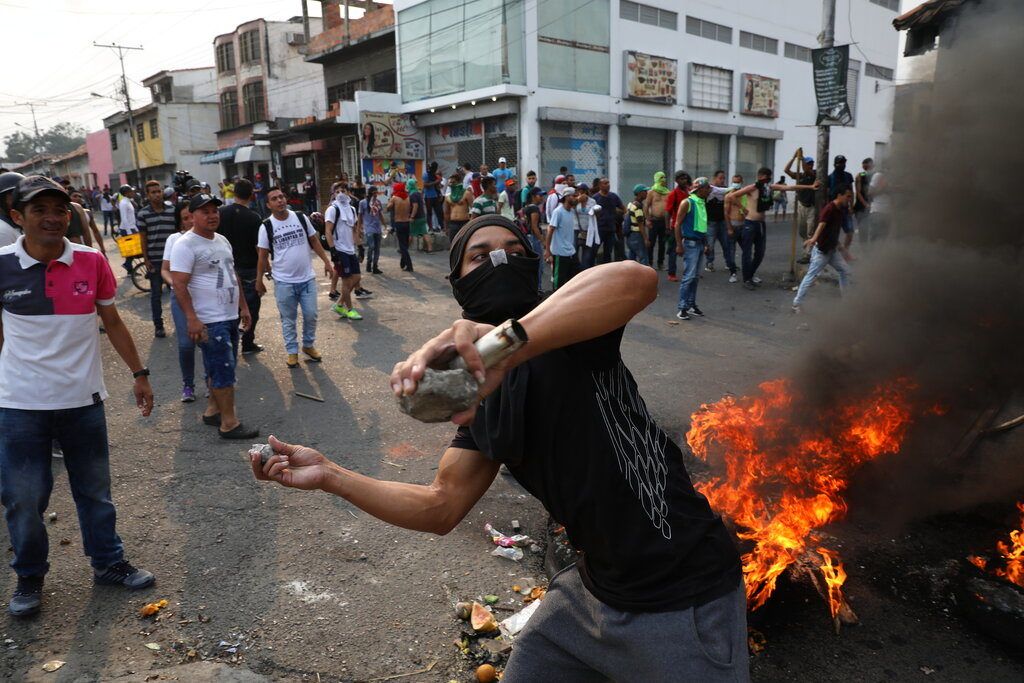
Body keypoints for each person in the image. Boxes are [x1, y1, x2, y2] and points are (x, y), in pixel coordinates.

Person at [250, 217, 748, 682]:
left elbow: (636, 278)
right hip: (590, 593)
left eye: (514, 250)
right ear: (459, 285)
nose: (501, 261)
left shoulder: (569, 331)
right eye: (480, 254)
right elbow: (441, 505)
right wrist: (332, 474)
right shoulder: (481, 397)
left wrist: (509, 344)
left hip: (684, 596)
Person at [0, 176, 156, 618]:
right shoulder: (2, 265)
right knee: (24, 497)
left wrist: (139, 374)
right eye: (39, 210)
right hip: (20, 406)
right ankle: (29, 576)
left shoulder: (90, 261)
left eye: (60, 210)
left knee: (95, 491)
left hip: (83, 401)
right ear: (17, 217)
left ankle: (108, 563)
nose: (52, 218)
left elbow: (114, 321)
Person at [169, 193, 257, 439]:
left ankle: (212, 411)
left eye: (214, 211)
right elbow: (179, 285)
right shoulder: (185, 245)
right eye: (205, 211)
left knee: (215, 368)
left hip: (229, 315)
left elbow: (233, 274)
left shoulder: (222, 240)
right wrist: (192, 318)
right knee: (224, 369)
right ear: (192, 215)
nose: (212, 215)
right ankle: (229, 422)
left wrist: (244, 307)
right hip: (209, 319)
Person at [256, 187, 334, 364]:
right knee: (288, 319)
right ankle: (292, 351)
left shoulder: (300, 217)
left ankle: (308, 345)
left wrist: (327, 262)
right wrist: (259, 280)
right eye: (274, 199)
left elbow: (314, 240)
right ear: (269, 205)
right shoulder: (266, 226)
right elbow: (262, 256)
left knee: (311, 314)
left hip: (306, 278)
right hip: (284, 282)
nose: (280, 201)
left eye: (281, 197)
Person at [727, 168, 818, 290]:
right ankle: (746, 279)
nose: (769, 179)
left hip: (760, 224)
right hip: (750, 223)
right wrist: (742, 208)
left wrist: (811, 187)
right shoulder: (752, 188)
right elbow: (732, 196)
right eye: (767, 177)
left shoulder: (768, 188)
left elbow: (790, 188)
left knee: (760, 253)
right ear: (761, 176)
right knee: (747, 253)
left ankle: (750, 274)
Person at [217, 178, 265, 354]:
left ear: (234, 192)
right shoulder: (254, 218)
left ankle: (228, 344)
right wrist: (264, 272)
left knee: (228, 309)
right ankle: (247, 343)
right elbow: (259, 249)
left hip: (225, 269)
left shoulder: (220, 213)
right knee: (251, 309)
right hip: (249, 270)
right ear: (252, 195)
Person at [792, 185, 854, 313]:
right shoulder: (830, 208)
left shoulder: (840, 209)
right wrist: (814, 239)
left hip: (832, 250)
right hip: (822, 251)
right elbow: (821, 225)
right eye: (847, 196)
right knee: (811, 276)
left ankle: (847, 301)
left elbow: (833, 231)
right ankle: (797, 303)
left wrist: (842, 249)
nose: (849, 199)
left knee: (845, 271)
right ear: (839, 195)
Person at [161, 202, 198, 402]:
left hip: (204, 298)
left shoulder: (208, 239)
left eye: (193, 215)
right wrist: (175, 284)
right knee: (186, 344)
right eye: (185, 218)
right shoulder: (174, 240)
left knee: (208, 343)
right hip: (181, 298)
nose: (191, 221)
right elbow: (164, 269)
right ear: (180, 222)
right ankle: (188, 385)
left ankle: (212, 383)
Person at [137, 180, 177, 339]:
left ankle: (180, 322)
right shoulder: (143, 214)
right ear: (147, 195)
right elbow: (143, 239)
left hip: (173, 261)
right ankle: (158, 326)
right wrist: (146, 260)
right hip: (155, 260)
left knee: (178, 291)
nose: (156, 194)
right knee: (156, 294)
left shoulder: (172, 211)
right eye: (153, 192)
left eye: (158, 191)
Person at [322, 185, 366, 323]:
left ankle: (340, 304)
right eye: (337, 191)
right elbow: (327, 231)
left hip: (350, 249)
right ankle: (350, 309)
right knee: (346, 281)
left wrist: (360, 246)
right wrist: (333, 250)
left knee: (357, 277)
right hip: (340, 249)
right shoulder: (332, 209)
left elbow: (354, 230)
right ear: (333, 194)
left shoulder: (352, 209)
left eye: (343, 191)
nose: (340, 193)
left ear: (349, 193)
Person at [673, 177, 714, 320]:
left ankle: (691, 305)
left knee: (695, 277)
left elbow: (702, 227)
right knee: (688, 277)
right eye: (707, 188)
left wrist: (706, 244)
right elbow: (677, 224)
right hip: (690, 244)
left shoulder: (702, 203)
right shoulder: (687, 202)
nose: (709, 191)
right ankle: (682, 308)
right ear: (700, 189)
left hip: (699, 242)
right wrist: (679, 245)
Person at [784, 150, 817, 264]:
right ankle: (807, 252)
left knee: (810, 231)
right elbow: (786, 170)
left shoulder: (815, 174)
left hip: (812, 207)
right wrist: (794, 158)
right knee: (802, 231)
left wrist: (802, 159)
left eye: (811, 163)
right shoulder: (800, 175)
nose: (810, 165)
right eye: (808, 163)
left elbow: (810, 171)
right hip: (801, 206)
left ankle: (808, 255)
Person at [545, 186, 581, 290]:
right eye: (574, 196)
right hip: (560, 253)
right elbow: (550, 230)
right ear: (567, 197)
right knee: (558, 284)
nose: (576, 198)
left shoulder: (571, 211)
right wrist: (548, 251)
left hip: (571, 252)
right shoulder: (558, 212)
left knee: (573, 281)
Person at [704, 170, 735, 278]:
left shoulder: (725, 191)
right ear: (715, 178)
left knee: (726, 243)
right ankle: (709, 263)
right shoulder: (708, 190)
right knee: (710, 244)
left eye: (723, 178)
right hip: (711, 222)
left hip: (722, 221)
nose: (722, 180)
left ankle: (729, 263)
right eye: (720, 178)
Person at [663, 171, 692, 282]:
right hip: (677, 226)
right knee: (673, 250)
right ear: (676, 181)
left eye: (685, 178)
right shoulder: (673, 194)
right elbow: (667, 212)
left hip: (689, 226)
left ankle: (690, 272)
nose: (684, 181)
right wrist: (667, 228)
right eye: (681, 179)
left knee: (690, 249)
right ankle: (671, 273)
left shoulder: (690, 193)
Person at [643, 171, 671, 274]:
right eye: (661, 178)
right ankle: (649, 262)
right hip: (654, 221)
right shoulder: (651, 192)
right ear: (657, 179)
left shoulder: (668, 192)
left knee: (662, 243)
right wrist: (647, 219)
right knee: (651, 242)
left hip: (664, 221)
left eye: (664, 177)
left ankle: (660, 263)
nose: (663, 180)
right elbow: (646, 206)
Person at [592, 177, 624, 265]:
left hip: (611, 229)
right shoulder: (595, 198)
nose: (608, 185)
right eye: (605, 183)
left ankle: (607, 268)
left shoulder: (613, 197)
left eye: (608, 183)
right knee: (594, 249)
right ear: (600, 185)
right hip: (599, 229)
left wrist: (619, 215)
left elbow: (623, 208)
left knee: (608, 252)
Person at [723, 175, 746, 284]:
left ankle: (749, 273)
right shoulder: (729, 196)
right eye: (734, 182)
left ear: (742, 182)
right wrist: (729, 228)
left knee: (747, 250)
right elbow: (726, 213)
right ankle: (733, 273)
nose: (736, 184)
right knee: (731, 251)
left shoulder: (745, 194)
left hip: (744, 225)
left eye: (738, 182)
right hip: (733, 225)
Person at [522, 186, 546, 290]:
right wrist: (543, 241)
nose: (542, 198)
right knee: (539, 266)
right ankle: (538, 289)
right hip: (533, 239)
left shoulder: (527, 206)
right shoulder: (534, 208)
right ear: (533, 196)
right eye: (540, 195)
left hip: (527, 238)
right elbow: (534, 227)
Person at [386, 181, 413, 272]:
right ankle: (403, 261)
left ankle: (409, 265)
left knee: (402, 246)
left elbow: (388, 208)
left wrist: (390, 201)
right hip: (407, 222)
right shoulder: (408, 198)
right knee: (405, 244)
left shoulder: (394, 198)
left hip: (399, 223)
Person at [358, 185, 384, 275]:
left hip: (377, 228)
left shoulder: (378, 202)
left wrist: (384, 225)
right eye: (374, 193)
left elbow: (380, 214)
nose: (376, 194)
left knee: (377, 248)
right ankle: (369, 262)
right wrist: (358, 229)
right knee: (371, 246)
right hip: (368, 228)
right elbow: (360, 216)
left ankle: (375, 266)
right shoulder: (363, 203)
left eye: (377, 193)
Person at [574, 184, 602, 269]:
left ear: (585, 191)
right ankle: (576, 270)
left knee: (587, 255)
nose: (580, 192)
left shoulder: (592, 201)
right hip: (577, 230)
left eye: (581, 190)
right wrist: (578, 200)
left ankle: (584, 269)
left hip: (589, 230)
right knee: (574, 253)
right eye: (578, 190)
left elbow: (596, 214)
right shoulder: (575, 200)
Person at [624, 184, 650, 265]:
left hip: (630, 235)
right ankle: (645, 276)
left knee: (631, 259)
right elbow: (640, 224)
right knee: (643, 258)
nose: (647, 193)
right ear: (640, 193)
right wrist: (645, 239)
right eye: (645, 191)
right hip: (637, 235)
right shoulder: (638, 206)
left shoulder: (630, 204)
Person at [444, 172, 473, 242]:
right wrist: (446, 227)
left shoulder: (466, 193)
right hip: (453, 223)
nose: (451, 184)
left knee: (464, 243)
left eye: (453, 182)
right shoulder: (448, 197)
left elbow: (473, 208)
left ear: (458, 182)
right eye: (450, 182)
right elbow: (446, 213)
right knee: (453, 243)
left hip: (464, 222)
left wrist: (471, 222)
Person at [407, 178, 432, 253]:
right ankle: (430, 249)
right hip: (422, 216)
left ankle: (405, 248)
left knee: (411, 233)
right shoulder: (418, 193)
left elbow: (415, 206)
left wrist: (412, 216)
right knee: (424, 233)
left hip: (416, 218)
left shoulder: (413, 195)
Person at [0, 171, 24, 247]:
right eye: (14, 196)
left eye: (23, 195)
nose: (19, 200)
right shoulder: (3, 231)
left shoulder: (20, 222)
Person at [867, 168, 891, 242]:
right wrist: (884, 188)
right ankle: (872, 253)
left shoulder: (890, 177)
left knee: (884, 238)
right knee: (875, 237)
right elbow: (870, 193)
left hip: (887, 212)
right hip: (877, 211)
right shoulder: (878, 176)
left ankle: (880, 253)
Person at [855, 157, 874, 240]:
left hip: (872, 205)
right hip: (861, 207)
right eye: (864, 166)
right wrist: (865, 204)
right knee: (863, 229)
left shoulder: (876, 175)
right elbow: (858, 192)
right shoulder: (862, 175)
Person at [422, 162, 442, 232]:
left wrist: (439, 186)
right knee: (429, 212)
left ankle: (441, 227)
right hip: (428, 196)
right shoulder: (426, 175)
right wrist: (435, 182)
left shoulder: (434, 175)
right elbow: (425, 185)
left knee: (439, 212)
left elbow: (437, 186)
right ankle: (430, 228)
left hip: (435, 195)